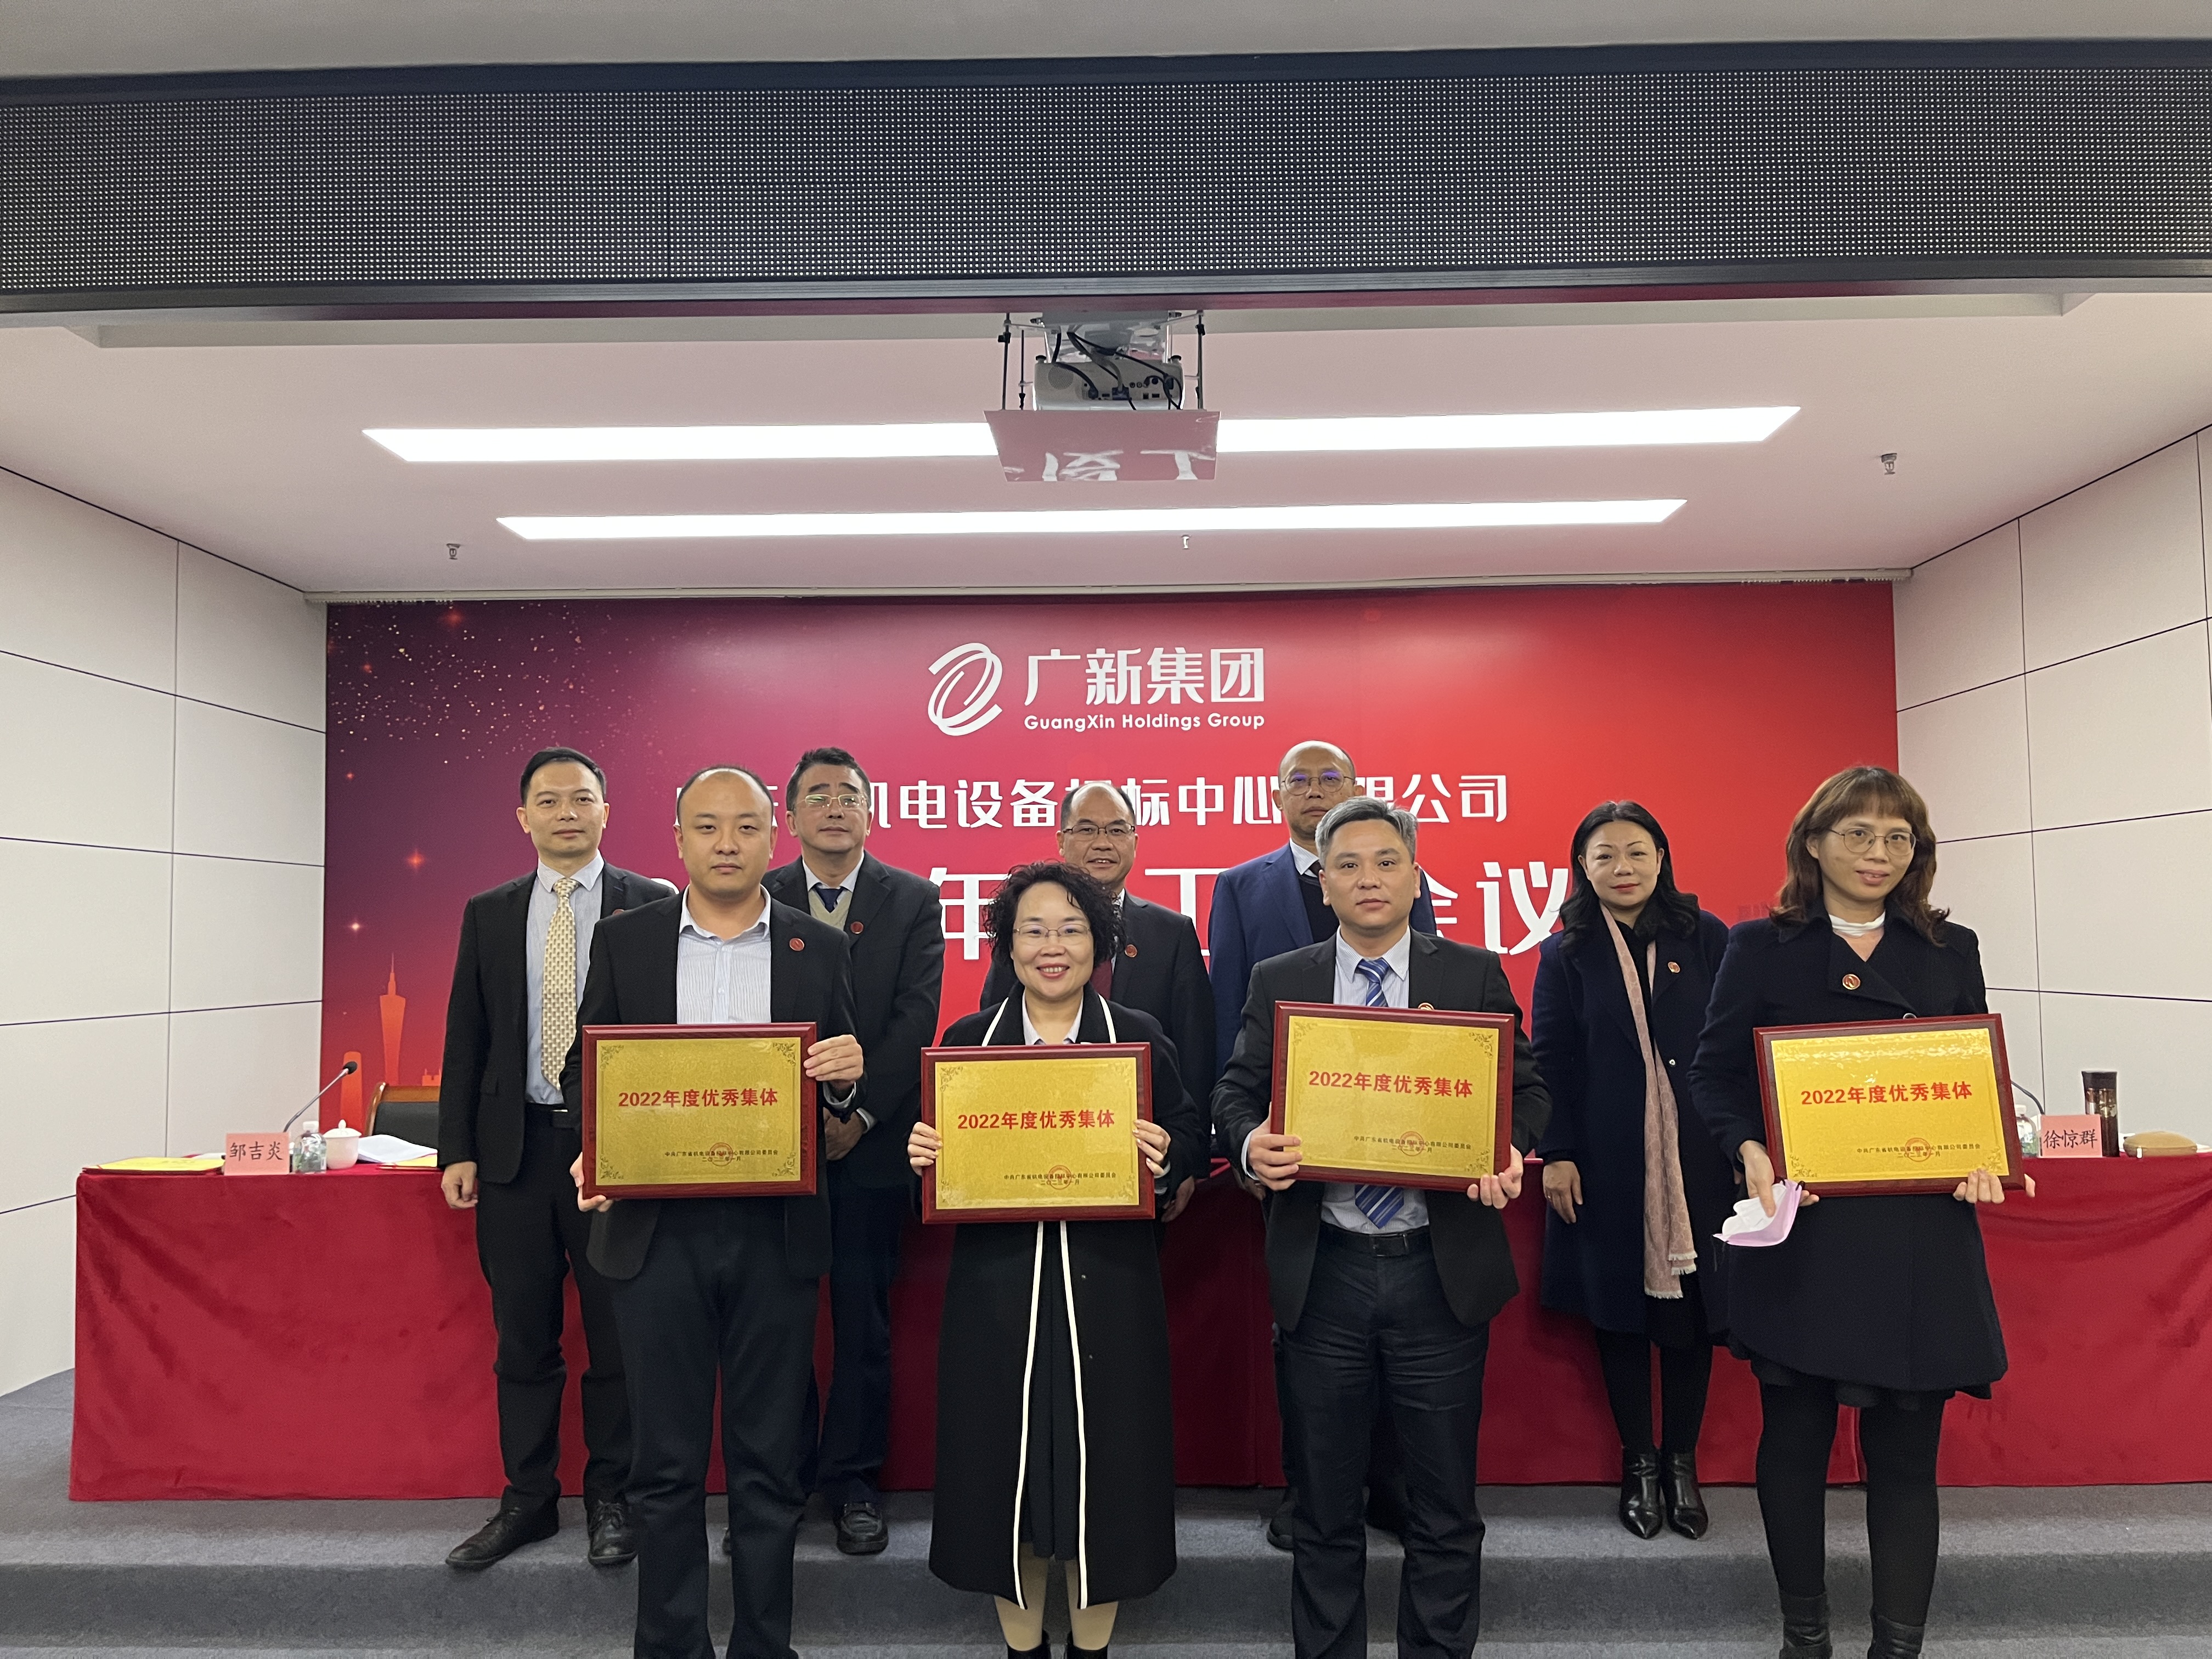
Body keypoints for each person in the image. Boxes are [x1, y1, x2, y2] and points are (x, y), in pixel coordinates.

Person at [1687, 766, 2030, 1659]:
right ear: (1813, 843)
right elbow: (1714, 1074)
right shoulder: (1760, 946)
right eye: (1857, 833)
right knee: (1795, 1437)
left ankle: (1896, 1647)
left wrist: (1984, 1153)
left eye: (1897, 837)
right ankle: (1804, 1636)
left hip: (1920, 1235)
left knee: (1908, 1454)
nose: (1878, 852)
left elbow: (1968, 1074)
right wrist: (1748, 1148)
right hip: (1808, 1232)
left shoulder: (1948, 947)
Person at [1213, 798, 1550, 1659]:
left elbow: (1528, 1087)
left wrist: (1508, 1144)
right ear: (1322, 884)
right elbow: (1235, 1091)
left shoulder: (1472, 973)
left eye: (1387, 862)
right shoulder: (1281, 978)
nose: (1369, 879)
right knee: (1326, 1509)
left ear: (1416, 876)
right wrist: (1251, 1144)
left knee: (1444, 1506)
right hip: (1323, 1267)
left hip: (1437, 1268)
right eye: (1349, 865)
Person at [562, 766, 866, 1659]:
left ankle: (765, 1645)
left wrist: (844, 1082)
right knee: (664, 1465)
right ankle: (671, 1645)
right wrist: (597, 1142)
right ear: (678, 838)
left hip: (776, 1234)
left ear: (774, 837)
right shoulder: (626, 940)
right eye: (707, 825)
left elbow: (841, 1097)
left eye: (745, 825)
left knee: (769, 1465)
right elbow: (588, 1069)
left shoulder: (818, 946)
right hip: (656, 1235)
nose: (726, 842)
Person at [912, 861, 1210, 1659]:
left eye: (1073, 929)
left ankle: (1090, 1650)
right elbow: (930, 1180)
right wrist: (924, 1157)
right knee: (1003, 1467)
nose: (1053, 947)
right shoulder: (967, 1045)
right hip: (997, 1295)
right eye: (1034, 930)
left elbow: (1191, 1136)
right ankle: (1024, 1650)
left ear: (1099, 942)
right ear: (1007, 946)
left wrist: (1166, 1154)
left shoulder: (1138, 1038)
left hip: (1109, 1293)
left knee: (1103, 1473)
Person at [435, 746, 665, 1571]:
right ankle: (528, 1499)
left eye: (582, 798)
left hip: (615, 1150)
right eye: (549, 800)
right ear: (523, 817)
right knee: (523, 1336)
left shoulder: (654, 903)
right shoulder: (490, 912)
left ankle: (613, 1498)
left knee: (617, 1336)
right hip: (517, 1152)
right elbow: (467, 1034)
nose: (567, 813)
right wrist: (457, 1147)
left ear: (607, 810)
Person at [1205, 740, 1437, 1548]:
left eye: (1329, 777)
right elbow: (1228, 1015)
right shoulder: (1241, 886)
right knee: (1305, 1336)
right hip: (1294, 1152)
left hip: (1398, 1138)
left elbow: (1435, 1009)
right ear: (1275, 796)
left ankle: (1389, 1485)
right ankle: (1309, 1490)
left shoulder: (1399, 882)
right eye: (1298, 780)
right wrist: (1240, 1142)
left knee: (1399, 1343)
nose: (1314, 790)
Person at [1532, 803, 1734, 1542]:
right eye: (1605, 856)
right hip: (1606, 1156)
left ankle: (1682, 1462)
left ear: (1662, 858)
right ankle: (1639, 1464)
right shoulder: (1566, 951)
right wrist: (1557, 1152)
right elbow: (1550, 1058)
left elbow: (1733, 1045)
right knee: (1619, 1315)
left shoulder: (1706, 936)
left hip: (1698, 1158)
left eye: (1637, 852)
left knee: (1691, 1318)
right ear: (1582, 868)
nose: (1623, 868)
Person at [760, 747, 944, 1556]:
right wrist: (800, 1123)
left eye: (849, 795)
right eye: (818, 796)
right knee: (777, 1323)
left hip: (872, 1147)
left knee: (863, 1325)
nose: (835, 807)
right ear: (791, 815)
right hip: (773, 1147)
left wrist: (860, 1114)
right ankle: (782, 1480)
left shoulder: (913, 899)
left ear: (871, 811)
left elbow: (915, 1020)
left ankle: (855, 1483)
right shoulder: (758, 894)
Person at [983, 780, 1214, 1218]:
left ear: (1135, 840)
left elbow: (1194, 1051)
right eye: (1086, 829)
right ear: (1061, 841)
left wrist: (1186, 1162)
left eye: (1117, 830)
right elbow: (992, 1037)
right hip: (1029, 1149)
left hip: (1134, 1159)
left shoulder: (1172, 932)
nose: (1102, 843)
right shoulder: (1024, 928)